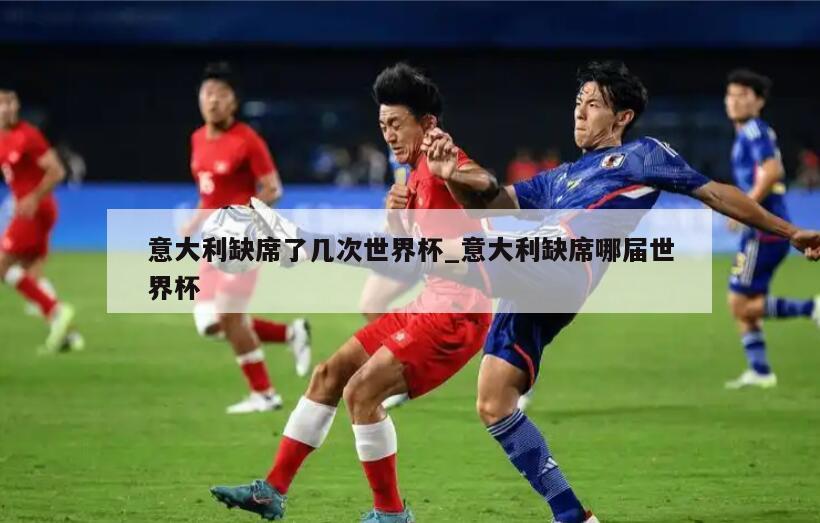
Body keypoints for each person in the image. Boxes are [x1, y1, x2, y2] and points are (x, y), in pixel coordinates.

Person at [249, 60, 820, 523]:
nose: (579, 110)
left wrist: (789, 231)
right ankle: (572, 515)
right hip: (531, 279)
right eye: (578, 101)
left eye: (592, 103)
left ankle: (305, 244)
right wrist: (454, 177)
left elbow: (714, 192)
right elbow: (499, 200)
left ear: (621, 117)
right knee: (493, 401)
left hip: (560, 263)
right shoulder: (562, 177)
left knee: (444, 255)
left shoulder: (643, 155)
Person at [209, 63, 492, 523]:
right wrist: (396, 220)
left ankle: (391, 514)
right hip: (430, 304)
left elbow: (481, 189)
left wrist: (313, 243)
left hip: (457, 314)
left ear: (427, 123)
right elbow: (406, 254)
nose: (389, 135)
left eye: (396, 123)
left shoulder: (445, 158)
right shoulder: (412, 175)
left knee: (362, 393)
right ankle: (271, 491)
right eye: (383, 126)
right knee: (329, 374)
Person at [179, 62, 311, 414]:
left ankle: (265, 394)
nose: (214, 101)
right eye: (208, 94)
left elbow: (273, 189)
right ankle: (290, 334)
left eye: (222, 95)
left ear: (233, 102)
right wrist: (194, 222)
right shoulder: (197, 139)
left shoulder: (247, 140)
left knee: (229, 314)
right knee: (209, 322)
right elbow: (209, 195)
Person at [722, 69, 819, 389]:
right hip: (767, 229)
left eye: (743, 95)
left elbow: (773, 171)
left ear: (759, 101)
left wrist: (744, 206)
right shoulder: (748, 134)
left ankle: (812, 308)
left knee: (739, 304)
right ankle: (760, 371)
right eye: (731, 95)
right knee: (747, 304)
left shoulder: (754, 131)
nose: (734, 101)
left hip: (763, 231)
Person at [0, 86, 80, 353]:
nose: (7, 108)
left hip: (36, 210)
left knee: (2, 266)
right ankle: (68, 336)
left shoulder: (28, 135)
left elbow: (56, 171)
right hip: (28, 209)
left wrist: (33, 198)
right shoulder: (3, 138)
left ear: (17, 106)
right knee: (30, 275)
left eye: (11, 103)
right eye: (2, 103)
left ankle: (56, 310)